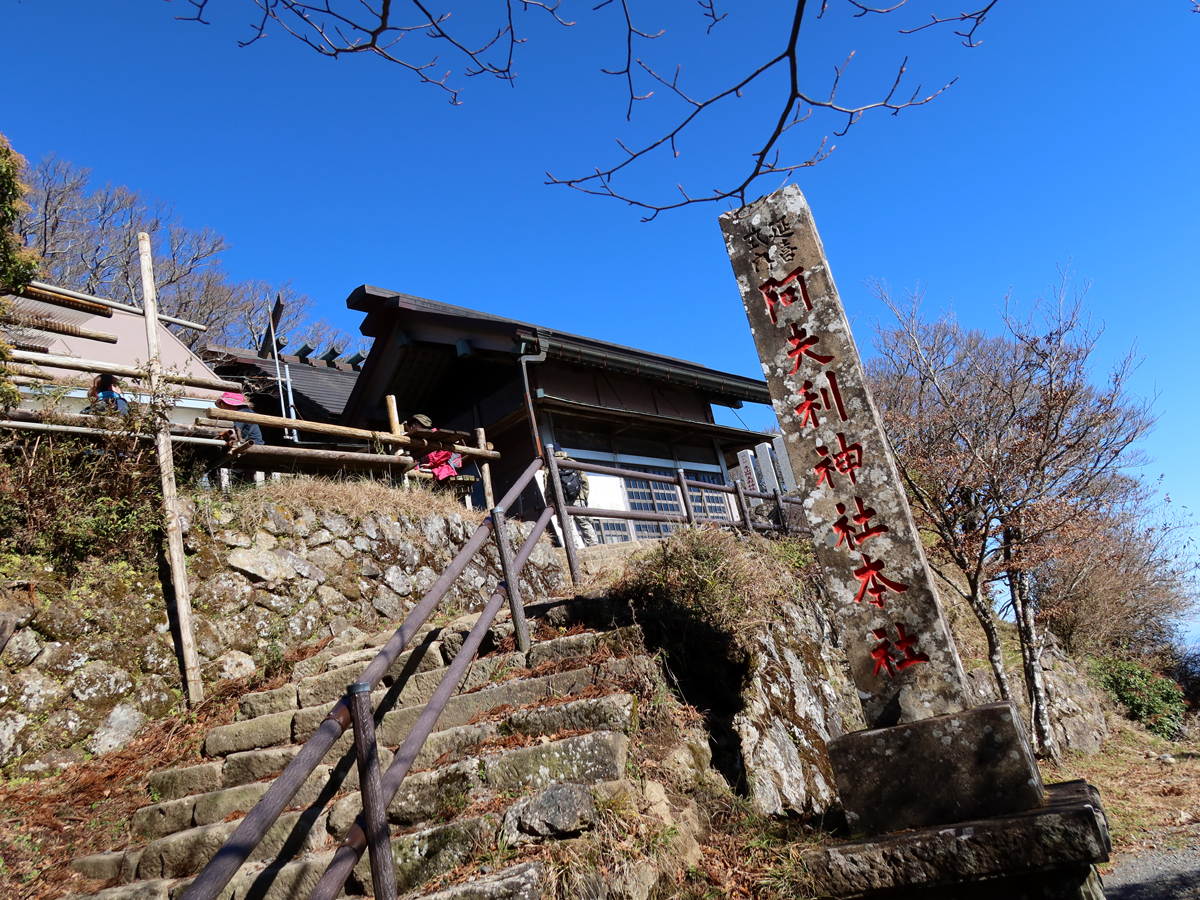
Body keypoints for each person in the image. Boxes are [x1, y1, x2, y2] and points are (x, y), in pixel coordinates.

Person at [553, 445, 598, 547]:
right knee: (584, 522)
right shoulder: (573, 462)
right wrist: (584, 496)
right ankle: (594, 545)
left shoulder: (552, 465)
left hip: (562, 501)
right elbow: (585, 482)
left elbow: (548, 488)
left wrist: (551, 503)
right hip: (578, 498)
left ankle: (573, 548)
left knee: (566, 526)